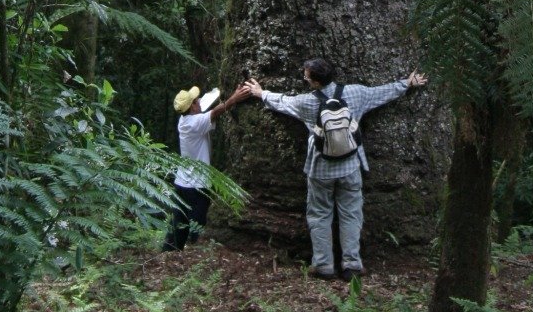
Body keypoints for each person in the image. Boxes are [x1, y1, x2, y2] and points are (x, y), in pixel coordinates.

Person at [244, 58, 427, 281]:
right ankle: (352, 264)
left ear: (314, 81)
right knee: (351, 214)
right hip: (350, 166)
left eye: (306, 75)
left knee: (320, 214)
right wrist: (406, 83)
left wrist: (261, 93)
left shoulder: (306, 102)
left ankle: (323, 265)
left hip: (320, 168)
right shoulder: (355, 93)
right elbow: (381, 93)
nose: (304, 77)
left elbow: (283, 102)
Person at [161, 81, 250, 251]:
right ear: (193, 107)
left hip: (181, 183)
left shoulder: (184, 120)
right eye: (196, 100)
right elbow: (216, 112)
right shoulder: (195, 123)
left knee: (178, 224)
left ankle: (169, 254)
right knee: (198, 225)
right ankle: (195, 256)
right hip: (197, 186)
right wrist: (235, 97)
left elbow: (206, 111)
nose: (200, 100)